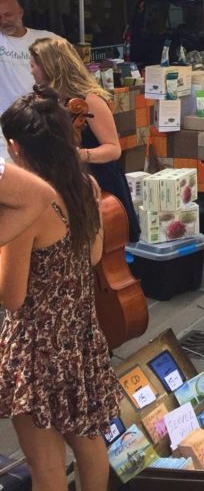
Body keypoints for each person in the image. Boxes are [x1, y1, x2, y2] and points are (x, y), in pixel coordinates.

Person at [0, 87, 120, 491]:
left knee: (46, 467)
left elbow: (12, 297)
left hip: (37, 348)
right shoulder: (85, 186)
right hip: (80, 337)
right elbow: (94, 255)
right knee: (89, 443)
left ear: (16, 148)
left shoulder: (29, 208)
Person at [29, 36, 141, 242]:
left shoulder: (90, 100)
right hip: (69, 183)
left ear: (49, 66)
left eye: (34, 65)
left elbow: (113, 149)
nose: (31, 71)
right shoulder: (49, 100)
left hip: (99, 179)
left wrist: (79, 154)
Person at [0, 0, 58, 156]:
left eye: (8, 15)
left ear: (21, 13)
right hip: (5, 125)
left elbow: (71, 67)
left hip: (42, 121)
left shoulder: (46, 39)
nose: (4, 21)